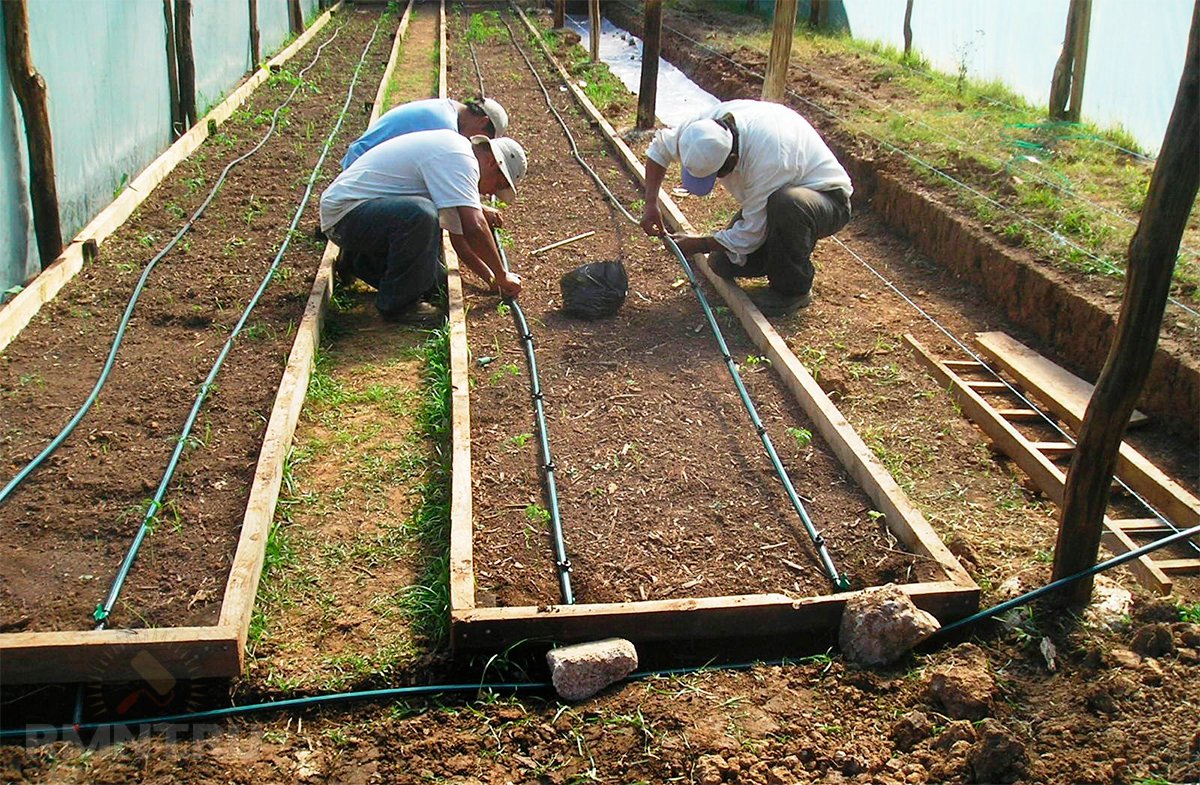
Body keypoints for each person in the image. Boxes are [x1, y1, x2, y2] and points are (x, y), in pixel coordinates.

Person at [639, 99, 852, 316]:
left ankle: (793, 290)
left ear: (732, 160)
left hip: (824, 199)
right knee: (721, 263)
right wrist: (650, 204)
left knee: (787, 204)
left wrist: (700, 243)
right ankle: (779, 253)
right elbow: (660, 148)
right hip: (777, 196)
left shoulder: (772, 159)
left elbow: (750, 233)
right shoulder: (700, 129)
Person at [320, 128, 527, 321]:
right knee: (421, 214)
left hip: (356, 218)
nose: (490, 193)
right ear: (492, 162)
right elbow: (475, 227)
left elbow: (460, 240)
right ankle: (398, 305)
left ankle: (359, 261)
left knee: (432, 282)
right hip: (345, 216)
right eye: (497, 185)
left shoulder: (456, 159)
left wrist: (492, 280)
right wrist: (502, 275)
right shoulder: (460, 160)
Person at [341, 96, 509, 169]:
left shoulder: (447, 107)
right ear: (482, 121)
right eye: (478, 136)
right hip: (359, 165)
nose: (472, 141)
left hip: (364, 161)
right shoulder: (444, 125)